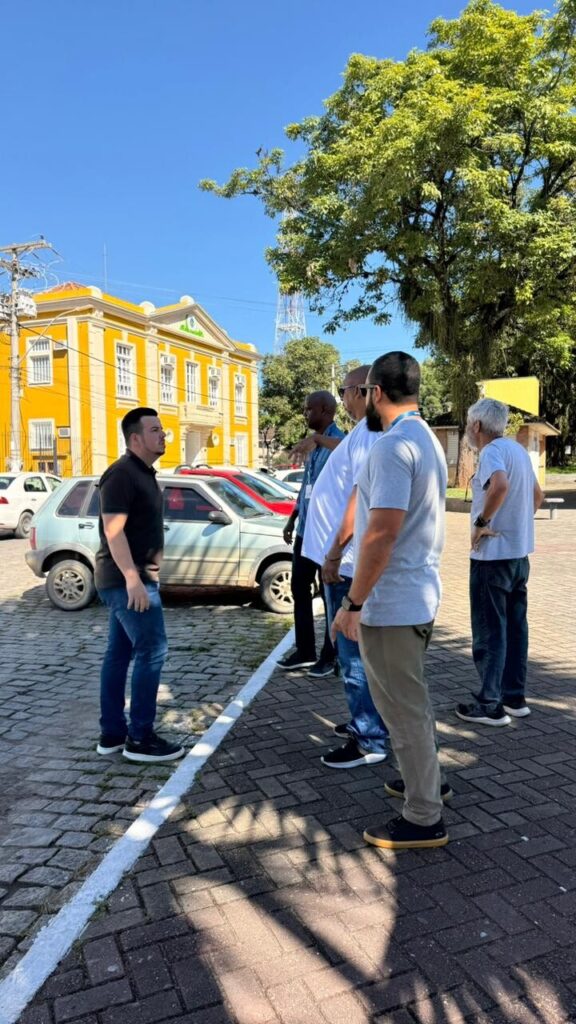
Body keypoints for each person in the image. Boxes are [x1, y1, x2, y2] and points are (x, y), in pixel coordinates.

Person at [332, 352, 449, 851]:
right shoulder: (426, 439)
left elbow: (380, 536)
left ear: (375, 392)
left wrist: (352, 603)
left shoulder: (392, 447)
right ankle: (427, 781)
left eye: (361, 392)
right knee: (411, 703)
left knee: (402, 710)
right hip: (416, 594)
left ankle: (424, 815)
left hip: (392, 602)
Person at [302, 366, 389, 769]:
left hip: (348, 565)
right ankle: (367, 721)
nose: (342, 399)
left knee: (352, 655)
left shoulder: (370, 431)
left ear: (362, 391)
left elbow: (359, 493)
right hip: (344, 562)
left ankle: (369, 737)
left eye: (343, 391)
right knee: (353, 653)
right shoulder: (361, 432)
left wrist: (335, 552)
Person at [95, 407, 185, 764]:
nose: (163, 435)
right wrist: (133, 579)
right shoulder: (121, 474)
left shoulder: (142, 473)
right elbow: (113, 531)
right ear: (135, 438)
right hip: (127, 581)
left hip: (132, 579)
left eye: (162, 429)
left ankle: (113, 734)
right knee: (152, 651)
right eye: (155, 430)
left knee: (119, 654)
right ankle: (140, 738)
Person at [456, 398, 543, 727]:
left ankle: (489, 704)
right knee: (516, 628)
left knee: (490, 631)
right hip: (519, 557)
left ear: (477, 425)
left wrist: (482, 522)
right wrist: (517, 524)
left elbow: (500, 485)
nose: (468, 428)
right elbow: (537, 496)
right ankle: (514, 697)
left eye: (469, 423)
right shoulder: (518, 450)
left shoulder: (491, 451)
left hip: (492, 558)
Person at [277, 391, 345, 672]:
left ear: (325, 410)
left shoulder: (338, 441)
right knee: (299, 587)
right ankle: (305, 650)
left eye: (309, 409)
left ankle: (331, 655)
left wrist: (317, 439)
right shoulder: (312, 444)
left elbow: (347, 450)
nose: (305, 414)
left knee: (329, 593)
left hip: (326, 533)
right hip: (306, 530)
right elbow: (307, 486)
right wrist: (293, 518)